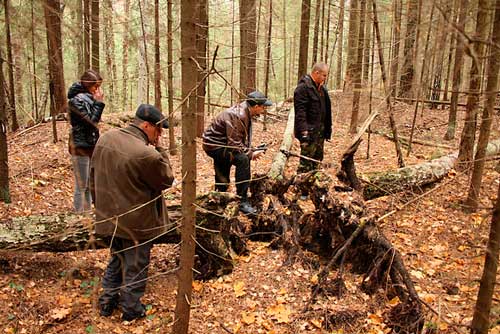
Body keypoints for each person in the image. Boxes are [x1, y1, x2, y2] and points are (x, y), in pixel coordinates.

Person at [90, 104, 174, 321]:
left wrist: (98, 207)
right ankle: (131, 310)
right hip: (137, 222)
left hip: (109, 217)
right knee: (136, 265)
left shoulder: (105, 139)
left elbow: (92, 176)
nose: (159, 135)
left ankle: (107, 302)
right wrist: (161, 149)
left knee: (117, 259)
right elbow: (166, 179)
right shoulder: (146, 154)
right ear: (146, 126)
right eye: (158, 130)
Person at [202, 91, 272, 215]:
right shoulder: (238, 115)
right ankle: (242, 201)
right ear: (256, 106)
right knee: (243, 159)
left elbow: (236, 140)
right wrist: (250, 154)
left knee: (228, 163)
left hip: (221, 145)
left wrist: (252, 149)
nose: (263, 110)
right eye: (263, 107)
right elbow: (234, 144)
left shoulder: (245, 112)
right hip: (215, 146)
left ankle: (220, 195)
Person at [67, 69, 105, 212]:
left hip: (91, 145)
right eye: (95, 87)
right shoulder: (75, 101)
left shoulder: (88, 99)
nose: (98, 90)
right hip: (80, 146)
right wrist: (99, 104)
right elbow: (91, 122)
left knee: (89, 185)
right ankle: (79, 217)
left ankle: (87, 215)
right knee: (81, 185)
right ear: (87, 85)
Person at [294, 62, 332, 176]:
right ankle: (302, 191)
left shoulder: (322, 90)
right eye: (324, 75)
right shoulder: (303, 88)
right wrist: (304, 133)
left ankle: (314, 188)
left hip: (319, 133)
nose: (325, 78)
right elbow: (300, 113)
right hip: (309, 133)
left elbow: (326, 111)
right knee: (306, 163)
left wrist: (327, 130)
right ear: (316, 73)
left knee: (317, 161)